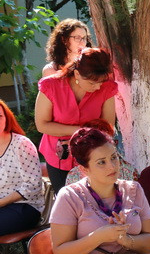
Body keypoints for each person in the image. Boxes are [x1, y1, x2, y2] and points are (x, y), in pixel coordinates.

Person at [35, 47, 117, 194]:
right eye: (92, 83)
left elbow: (107, 127)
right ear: (77, 74)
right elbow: (42, 125)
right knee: (67, 200)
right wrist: (79, 133)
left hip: (93, 157)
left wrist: (83, 138)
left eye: (101, 81)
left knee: (96, 200)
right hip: (58, 157)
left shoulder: (107, 87)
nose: (98, 86)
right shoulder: (51, 86)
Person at [0, 99, 45, 235]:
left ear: (7, 118)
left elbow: (33, 185)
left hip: (25, 206)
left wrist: (1, 203)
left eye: (0, 116)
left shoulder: (21, 144)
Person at [64, 119, 137, 186]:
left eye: (113, 157)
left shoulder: (128, 171)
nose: (111, 167)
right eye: (101, 162)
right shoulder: (74, 176)